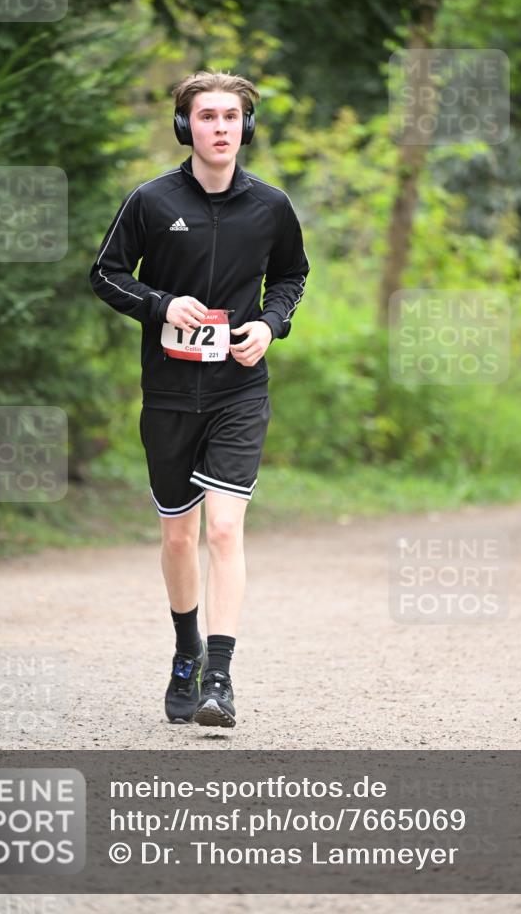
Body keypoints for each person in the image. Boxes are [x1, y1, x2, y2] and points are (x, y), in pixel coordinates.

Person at [89, 69, 309, 727]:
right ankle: (184, 652)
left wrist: (269, 326)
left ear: (247, 127)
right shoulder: (151, 201)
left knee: (222, 527)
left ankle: (219, 677)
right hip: (166, 392)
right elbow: (104, 274)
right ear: (186, 127)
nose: (221, 128)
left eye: (232, 117)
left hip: (238, 391)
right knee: (180, 537)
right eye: (208, 117)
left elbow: (291, 275)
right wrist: (160, 304)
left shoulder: (270, 206)